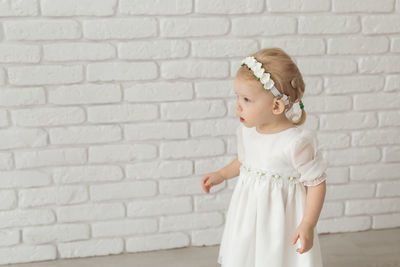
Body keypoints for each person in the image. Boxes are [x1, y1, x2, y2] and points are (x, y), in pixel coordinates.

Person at [201, 47, 329, 267]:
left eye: (247, 99)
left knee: (276, 258)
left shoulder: (296, 143)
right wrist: (222, 174)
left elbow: (316, 183)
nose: (237, 105)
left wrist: (307, 223)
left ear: (276, 106)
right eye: (238, 97)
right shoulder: (248, 132)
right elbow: (243, 161)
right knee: (247, 254)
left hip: (280, 221)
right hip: (248, 215)